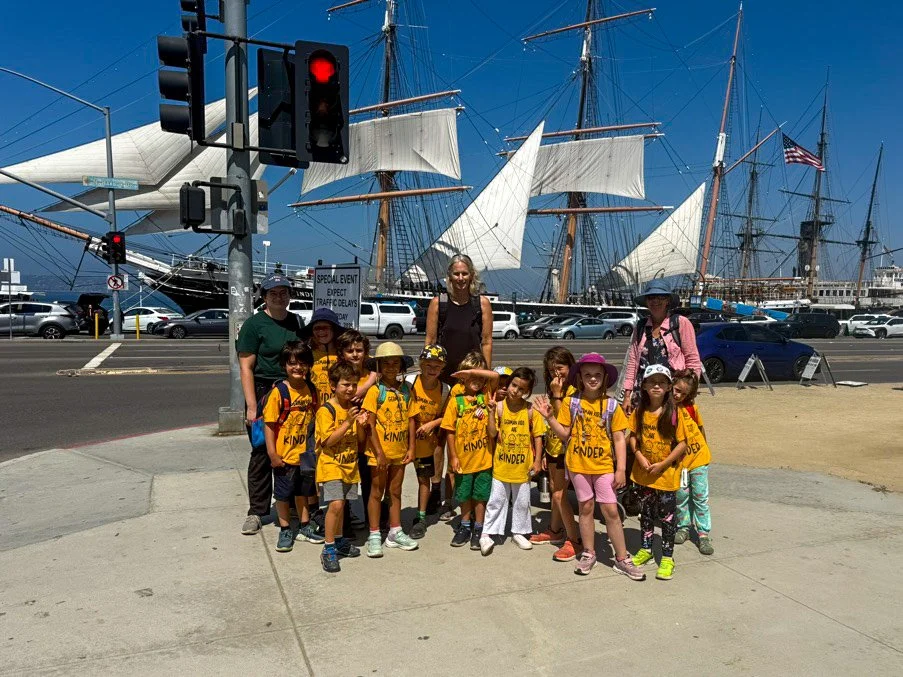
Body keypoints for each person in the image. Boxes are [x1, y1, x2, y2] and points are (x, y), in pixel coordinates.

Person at [535, 354, 646, 580]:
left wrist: (621, 469)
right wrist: (550, 418)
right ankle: (588, 552)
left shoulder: (611, 405)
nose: (592, 379)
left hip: (604, 466)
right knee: (585, 507)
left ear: (605, 377)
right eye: (587, 375)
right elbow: (565, 434)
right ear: (580, 378)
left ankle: (622, 557)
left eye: (597, 375)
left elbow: (618, 439)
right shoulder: (571, 402)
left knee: (611, 511)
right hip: (577, 465)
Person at [425, 254, 494, 519]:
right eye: (456, 274)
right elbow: (430, 340)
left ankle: (460, 494)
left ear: (472, 276)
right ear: (449, 276)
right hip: (443, 379)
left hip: (473, 382)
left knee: (468, 434)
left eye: (465, 274)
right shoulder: (438, 304)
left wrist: (486, 375)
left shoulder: (482, 304)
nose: (461, 279)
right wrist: (429, 376)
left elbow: (486, 340)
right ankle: (437, 491)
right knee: (440, 438)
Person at [238, 273, 306, 536]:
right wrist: (252, 406)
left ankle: (286, 503)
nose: (279, 297)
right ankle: (257, 511)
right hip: (265, 391)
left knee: (291, 448)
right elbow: (246, 366)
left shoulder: (295, 322)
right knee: (262, 452)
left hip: (291, 391)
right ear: (264, 296)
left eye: (284, 292)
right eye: (273, 293)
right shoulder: (254, 325)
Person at [628, 365, 690, 581]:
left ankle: (667, 556)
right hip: (644, 473)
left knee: (667, 517)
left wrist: (664, 464)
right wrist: (639, 456)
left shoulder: (675, 412)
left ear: (668, 387)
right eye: (652, 382)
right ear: (644, 386)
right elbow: (632, 436)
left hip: (665, 475)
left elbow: (682, 443)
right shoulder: (639, 411)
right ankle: (645, 548)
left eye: (661, 382)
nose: (656, 386)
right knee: (645, 513)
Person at [362, 342, 419, 557]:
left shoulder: (406, 390)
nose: (391, 367)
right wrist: (379, 453)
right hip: (380, 453)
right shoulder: (375, 392)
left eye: (395, 362)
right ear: (378, 366)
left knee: (395, 492)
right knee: (376, 492)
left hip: (400, 451)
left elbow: (412, 420)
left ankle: (395, 531)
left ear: (402, 366)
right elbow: (370, 424)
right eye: (386, 363)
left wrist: (411, 448)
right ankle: (374, 534)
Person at [263, 341, 320, 552]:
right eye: (292, 363)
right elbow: (269, 425)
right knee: (283, 494)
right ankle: (285, 527)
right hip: (284, 455)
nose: (297, 368)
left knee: (303, 491)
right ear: (284, 366)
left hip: (305, 455)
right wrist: (272, 453)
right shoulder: (279, 392)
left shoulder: (311, 390)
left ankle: (305, 525)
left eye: (302, 363)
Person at [480, 367, 544, 556]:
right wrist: (491, 413)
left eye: (521, 389)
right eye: (513, 385)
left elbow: (538, 436)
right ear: (508, 385)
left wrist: (538, 460)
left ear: (528, 392)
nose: (516, 391)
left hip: (523, 467)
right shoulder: (499, 407)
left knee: (522, 502)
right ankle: (487, 532)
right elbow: (492, 433)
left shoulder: (531, 411)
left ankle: (519, 531)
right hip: (501, 465)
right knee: (496, 500)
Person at [440, 351, 499, 550]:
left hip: (484, 459)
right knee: (464, 495)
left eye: (480, 377)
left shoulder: (486, 395)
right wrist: (453, 457)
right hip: (463, 459)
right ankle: (465, 525)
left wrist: (474, 371)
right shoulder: (456, 401)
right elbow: (449, 432)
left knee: (480, 495)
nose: (476, 380)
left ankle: (479, 527)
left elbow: (496, 377)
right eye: (471, 377)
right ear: (463, 378)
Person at [316, 362, 369, 573]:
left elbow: (361, 441)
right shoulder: (326, 410)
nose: (350, 389)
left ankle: (338, 541)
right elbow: (327, 441)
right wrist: (347, 422)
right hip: (331, 464)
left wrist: (362, 424)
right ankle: (328, 548)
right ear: (333, 385)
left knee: (342, 506)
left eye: (354, 385)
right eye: (345, 384)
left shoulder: (353, 409)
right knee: (336, 505)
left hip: (349, 464)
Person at [622, 281, 702, 415]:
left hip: (672, 394)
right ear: (646, 302)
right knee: (644, 432)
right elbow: (632, 363)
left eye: (661, 297)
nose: (656, 301)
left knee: (669, 432)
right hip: (644, 392)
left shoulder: (680, 323)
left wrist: (688, 392)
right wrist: (626, 396)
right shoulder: (641, 326)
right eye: (651, 297)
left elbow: (693, 361)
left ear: (668, 301)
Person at [530, 347, 579, 560]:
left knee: (560, 495)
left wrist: (558, 395)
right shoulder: (553, 390)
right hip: (552, 447)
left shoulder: (574, 391)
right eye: (551, 370)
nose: (556, 374)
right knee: (553, 490)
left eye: (560, 368)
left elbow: (562, 421)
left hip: (566, 450)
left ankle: (574, 539)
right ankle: (555, 530)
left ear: (570, 367)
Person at [404, 344, 450, 539]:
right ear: (421, 364)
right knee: (392, 481)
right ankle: (387, 514)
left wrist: (432, 424)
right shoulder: (409, 382)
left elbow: (447, 415)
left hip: (424, 442)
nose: (432, 369)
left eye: (437, 366)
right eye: (428, 365)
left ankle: (421, 517)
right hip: (401, 440)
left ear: (442, 368)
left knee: (424, 479)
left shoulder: (445, 389)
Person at [336, 329, 379, 527]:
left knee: (370, 482)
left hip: (369, 440)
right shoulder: (339, 375)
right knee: (345, 483)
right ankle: (344, 524)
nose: (355, 354)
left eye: (359, 350)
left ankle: (374, 522)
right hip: (346, 440)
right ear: (342, 353)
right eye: (350, 350)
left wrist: (368, 383)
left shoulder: (373, 376)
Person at [672, 369, 714, 555]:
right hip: (680, 464)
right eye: (675, 389)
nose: (677, 394)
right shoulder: (667, 411)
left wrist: (704, 451)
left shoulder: (691, 409)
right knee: (681, 496)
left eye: (682, 392)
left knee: (700, 497)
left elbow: (700, 430)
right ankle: (683, 527)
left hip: (698, 459)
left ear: (689, 394)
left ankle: (703, 533)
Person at [302, 307, 346, 408]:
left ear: (334, 330)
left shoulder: (344, 353)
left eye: (325, 327)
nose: (321, 331)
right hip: (315, 409)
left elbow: (371, 364)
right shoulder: (306, 353)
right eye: (317, 328)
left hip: (341, 409)